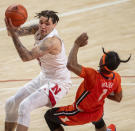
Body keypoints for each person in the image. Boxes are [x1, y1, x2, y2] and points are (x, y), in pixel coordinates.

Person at [44, 33, 131, 131]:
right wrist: (103, 91)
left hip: (80, 113)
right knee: (98, 119)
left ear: (102, 62)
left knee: (49, 116)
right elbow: (118, 98)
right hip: (97, 111)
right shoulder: (116, 78)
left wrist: (76, 44)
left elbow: (71, 65)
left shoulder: (92, 75)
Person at [4, 10, 72, 131]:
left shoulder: (52, 41)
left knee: (25, 106)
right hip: (44, 77)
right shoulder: (38, 29)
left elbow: (26, 57)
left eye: (47, 23)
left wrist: (14, 35)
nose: (43, 26)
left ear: (54, 25)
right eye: (41, 22)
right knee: (11, 104)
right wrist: (10, 25)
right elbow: (13, 33)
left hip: (59, 82)